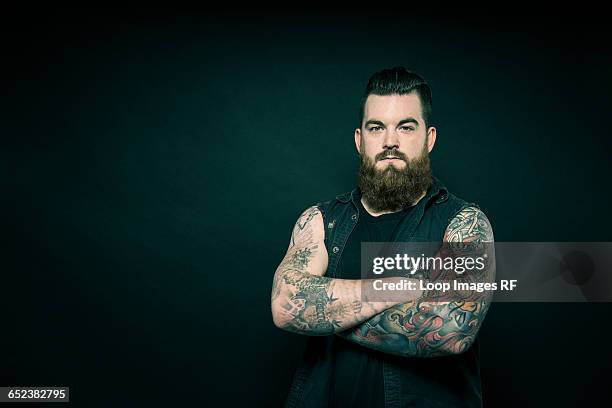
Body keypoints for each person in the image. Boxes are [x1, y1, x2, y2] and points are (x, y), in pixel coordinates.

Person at [271, 67, 494, 408]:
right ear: (360, 140)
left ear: (429, 138)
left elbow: (450, 330)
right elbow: (286, 303)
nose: (391, 141)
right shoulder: (320, 221)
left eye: (406, 127)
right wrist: (400, 287)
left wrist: (324, 312)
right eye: (377, 128)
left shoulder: (464, 223)